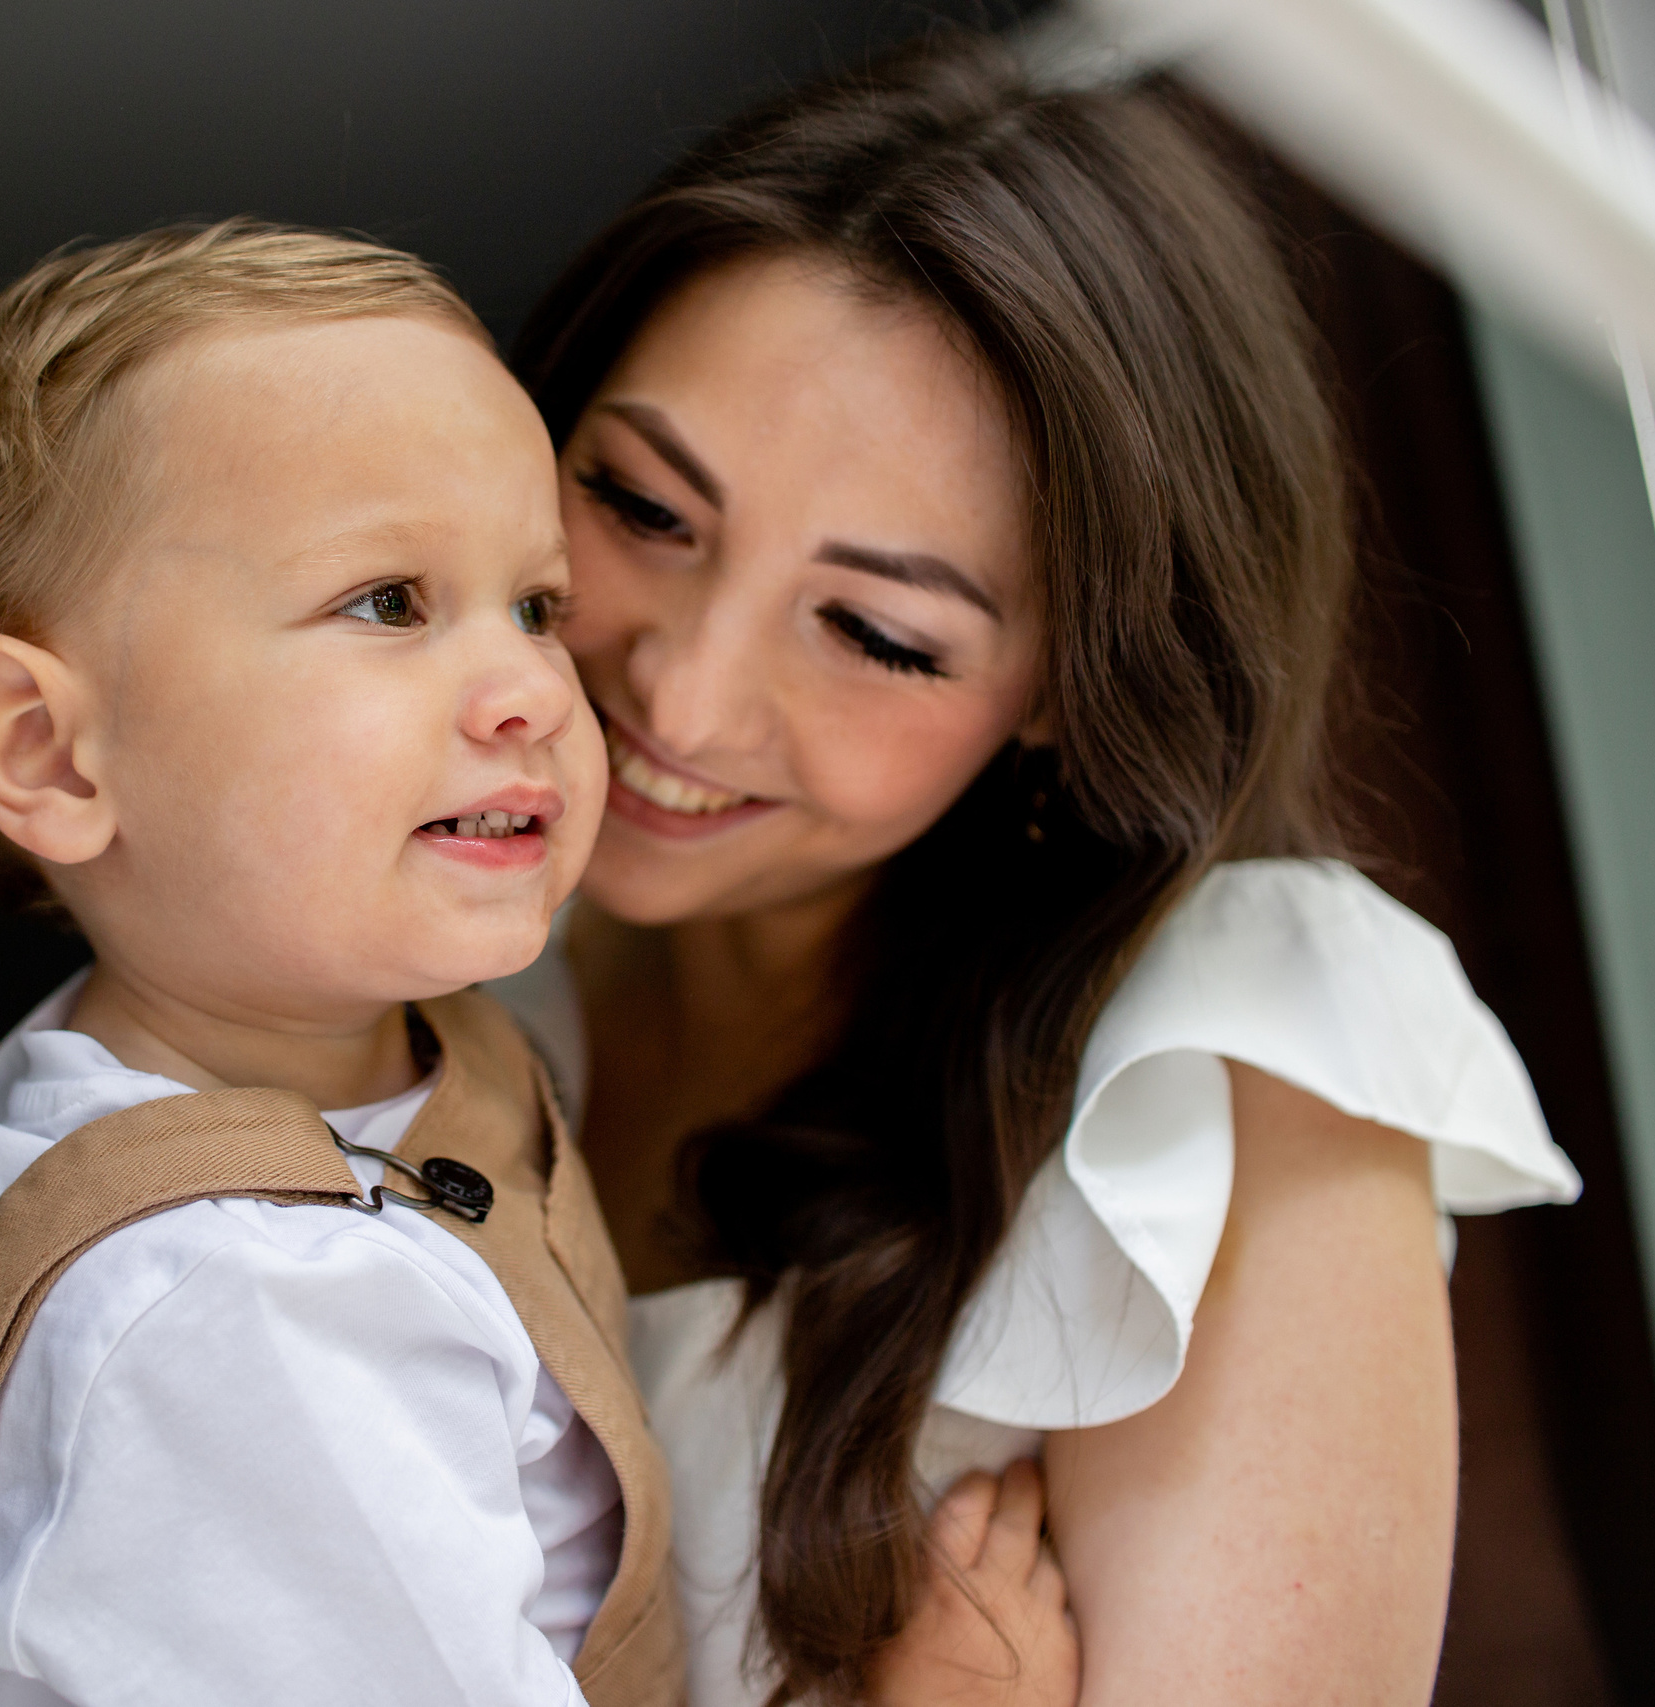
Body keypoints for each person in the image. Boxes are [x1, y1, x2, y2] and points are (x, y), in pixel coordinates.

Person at [491, 34, 1583, 1707]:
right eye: (643, 508)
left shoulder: (1239, 1059)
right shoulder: (422, 922)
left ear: (1071, 687)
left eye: (875, 632)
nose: (681, 697)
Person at [0, 221, 672, 1706]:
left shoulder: (335, 1032)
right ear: (48, 754)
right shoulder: (229, 1311)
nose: (537, 691)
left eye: (538, 607)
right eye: (388, 601)